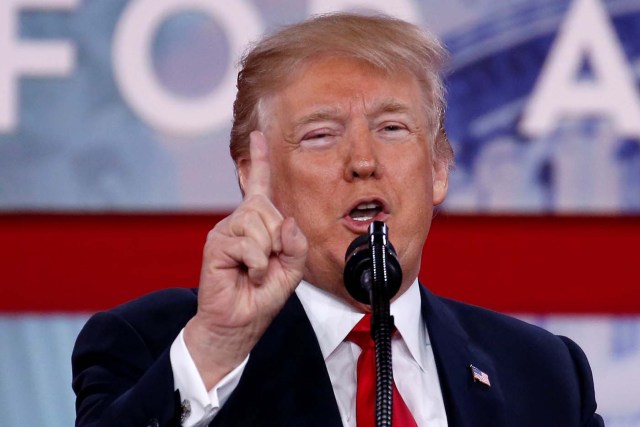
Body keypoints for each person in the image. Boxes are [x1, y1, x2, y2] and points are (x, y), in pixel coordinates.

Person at [72, 13, 603, 427]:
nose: (363, 161)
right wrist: (216, 347)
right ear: (252, 175)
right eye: (321, 134)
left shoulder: (542, 370)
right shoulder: (154, 344)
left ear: (438, 169)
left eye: (392, 128)